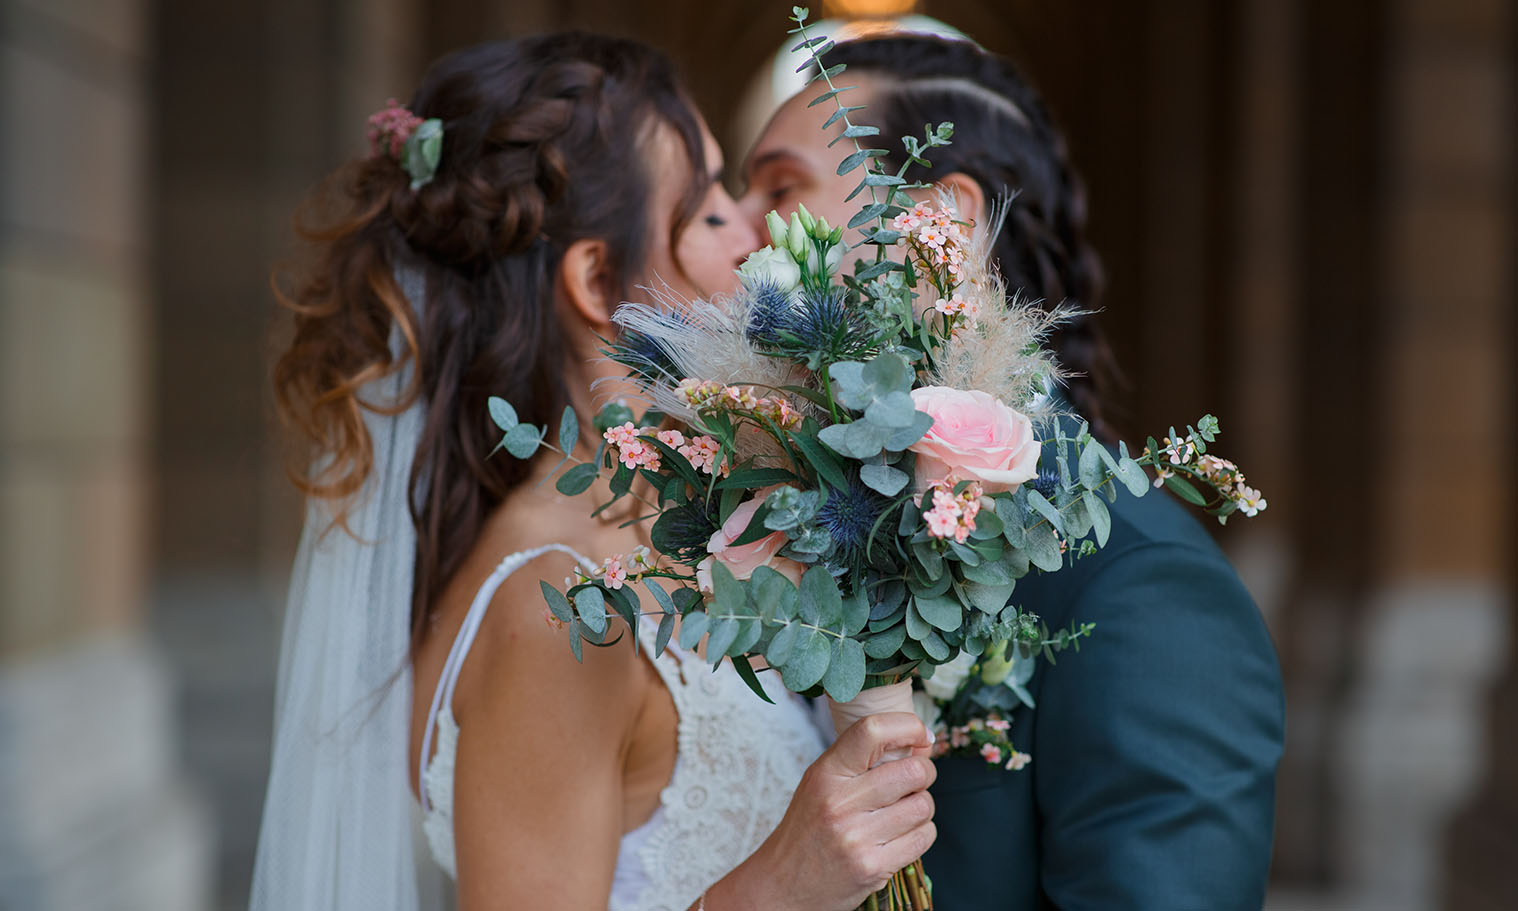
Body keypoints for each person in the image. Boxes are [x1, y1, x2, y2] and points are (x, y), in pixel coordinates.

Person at [253, 34, 936, 911]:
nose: (755, 236)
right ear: (598, 282)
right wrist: (780, 884)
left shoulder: (670, 538)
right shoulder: (560, 610)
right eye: (709, 210)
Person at [739, 33, 1285, 909]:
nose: (737, 233)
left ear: (936, 229)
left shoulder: (1142, 590)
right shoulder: (818, 517)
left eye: (780, 189)